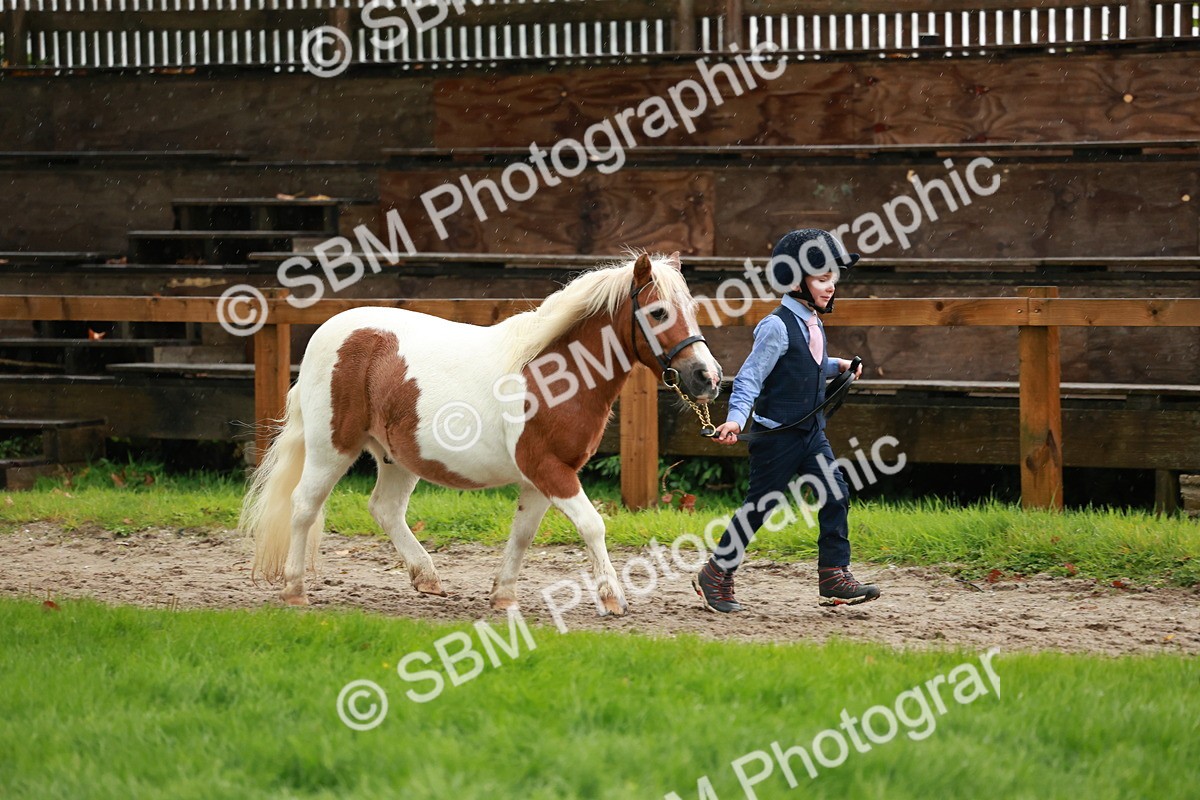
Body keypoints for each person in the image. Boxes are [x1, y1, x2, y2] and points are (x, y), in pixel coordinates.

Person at [692, 229, 880, 613]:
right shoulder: (776, 326)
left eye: (833, 278)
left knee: (836, 492)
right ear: (795, 281)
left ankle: (833, 573)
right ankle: (715, 572)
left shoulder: (812, 319)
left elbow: (807, 364)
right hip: (777, 437)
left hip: (811, 433)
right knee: (760, 507)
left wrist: (838, 365)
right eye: (822, 278)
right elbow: (750, 378)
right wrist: (734, 420)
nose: (831, 287)